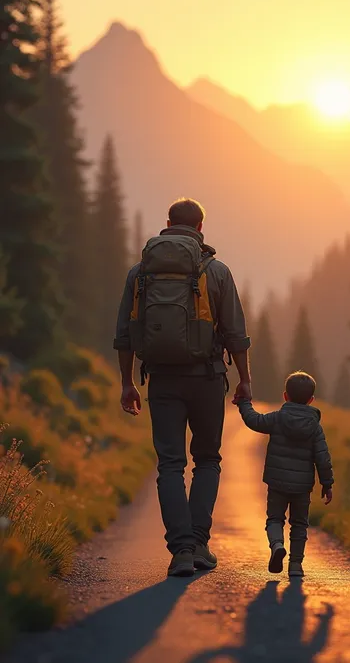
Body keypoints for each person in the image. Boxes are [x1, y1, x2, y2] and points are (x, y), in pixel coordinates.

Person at [114, 198, 251, 577]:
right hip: (207, 379)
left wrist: (127, 383)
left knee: (170, 464)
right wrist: (245, 380)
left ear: (167, 223)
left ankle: (181, 551)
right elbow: (236, 334)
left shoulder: (140, 274)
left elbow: (124, 335)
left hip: (161, 380)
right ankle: (199, 543)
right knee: (207, 460)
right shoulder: (216, 271)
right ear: (201, 228)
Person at [234, 371, 333, 577]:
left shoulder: (278, 419)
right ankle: (295, 565)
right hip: (302, 486)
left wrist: (244, 403)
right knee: (299, 524)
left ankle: (277, 545)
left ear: (285, 396)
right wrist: (327, 483)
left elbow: (255, 421)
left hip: (277, 483)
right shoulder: (315, 427)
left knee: (274, 519)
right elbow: (322, 457)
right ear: (311, 399)